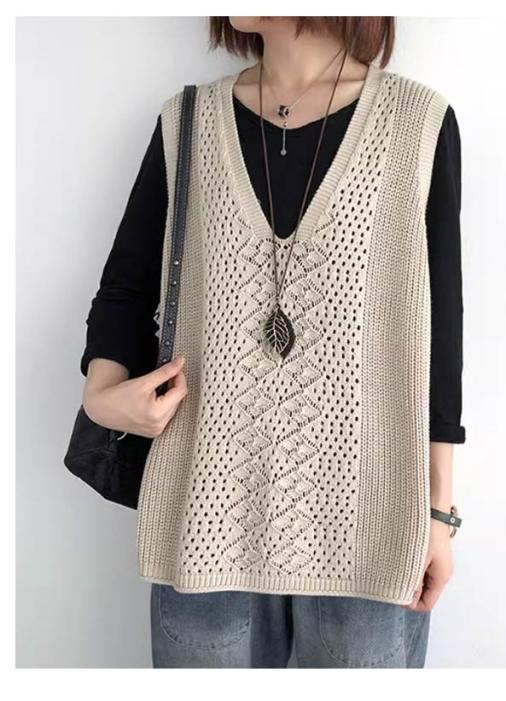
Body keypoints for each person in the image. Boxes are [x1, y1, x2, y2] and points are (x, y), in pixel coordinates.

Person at [79, 16, 465, 668]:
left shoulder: (417, 124)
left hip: (370, 521)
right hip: (208, 514)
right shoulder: (188, 122)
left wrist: (439, 513)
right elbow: (125, 289)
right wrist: (103, 398)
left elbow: (441, 335)